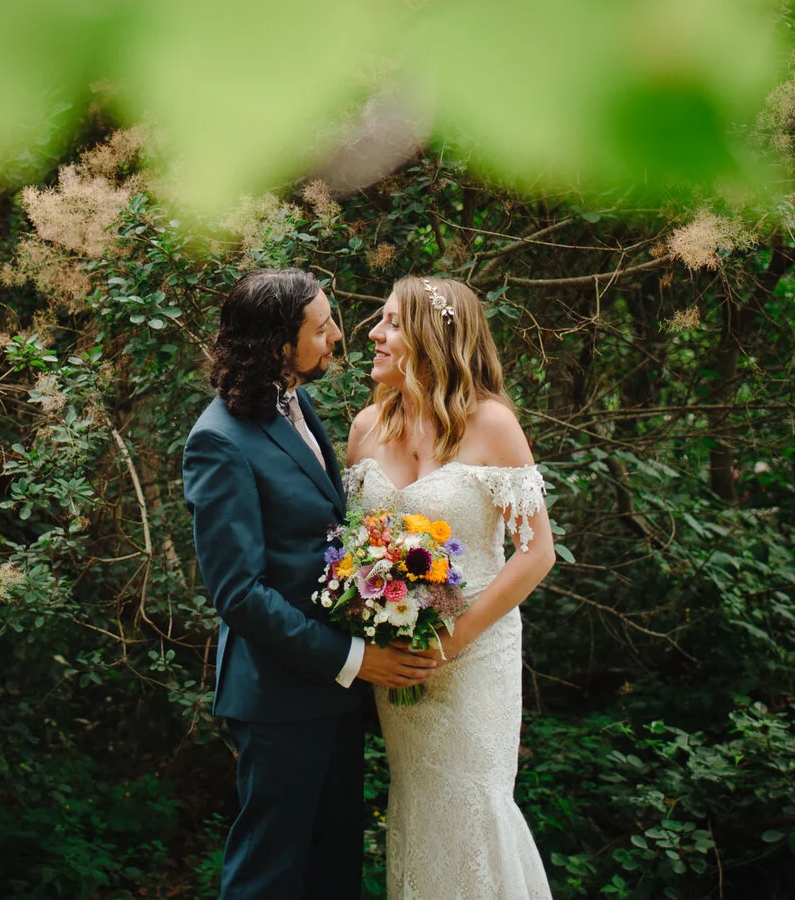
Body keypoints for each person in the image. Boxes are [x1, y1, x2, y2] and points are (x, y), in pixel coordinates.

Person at [183, 267, 439, 900]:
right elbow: (239, 595)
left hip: (332, 695)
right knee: (268, 876)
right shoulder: (218, 441)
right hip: (278, 698)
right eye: (322, 329)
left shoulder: (299, 403)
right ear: (278, 346)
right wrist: (356, 658)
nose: (338, 338)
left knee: (331, 870)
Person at [344, 275, 556, 900]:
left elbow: (536, 551)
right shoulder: (365, 430)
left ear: (432, 336)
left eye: (390, 323)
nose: (374, 335)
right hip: (400, 660)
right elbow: (355, 552)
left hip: (476, 656)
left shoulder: (492, 424)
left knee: (475, 801)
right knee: (419, 806)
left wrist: (454, 637)